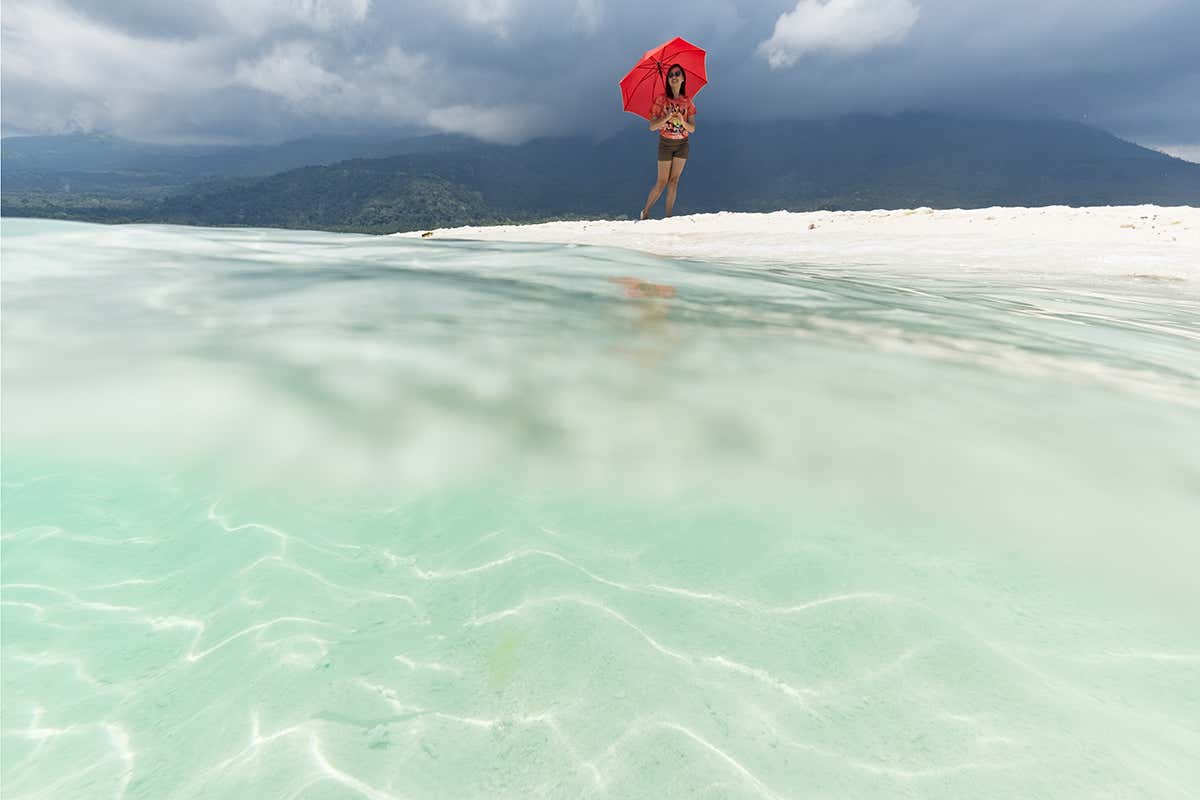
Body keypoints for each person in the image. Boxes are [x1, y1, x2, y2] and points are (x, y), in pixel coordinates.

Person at [640, 64, 696, 220]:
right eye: (671, 75)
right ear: (668, 79)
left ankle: (669, 217)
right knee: (662, 181)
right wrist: (666, 117)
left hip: (682, 144)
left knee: (674, 181)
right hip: (665, 143)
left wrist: (681, 121)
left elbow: (692, 128)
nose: (674, 76)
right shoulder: (660, 99)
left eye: (678, 73)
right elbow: (652, 126)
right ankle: (645, 212)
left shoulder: (687, 102)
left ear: (683, 78)